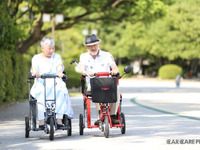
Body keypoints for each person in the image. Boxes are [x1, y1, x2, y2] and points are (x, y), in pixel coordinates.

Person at [30, 36, 73, 129]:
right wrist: (36, 73)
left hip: (55, 80)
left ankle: (59, 119)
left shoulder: (56, 57)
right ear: (42, 48)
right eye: (49, 48)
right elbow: (34, 68)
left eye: (53, 48)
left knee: (61, 92)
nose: (51, 51)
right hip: (41, 81)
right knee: (40, 96)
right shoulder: (36, 58)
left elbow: (59, 66)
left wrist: (60, 72)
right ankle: (41, 121)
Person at [77, 34, 120, 125]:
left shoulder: (107, 55)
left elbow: (115, 67)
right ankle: (100, 115)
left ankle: (112, 115)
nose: (93, 47)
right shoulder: (84, 56)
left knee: (117, 89)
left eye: (95, 45)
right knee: (97, 89)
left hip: (107, 82)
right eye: (90, 46)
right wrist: (86, 72)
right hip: (93, 83)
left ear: (98, 44)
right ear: (86, 47)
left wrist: (114, 71)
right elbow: (81, 68)